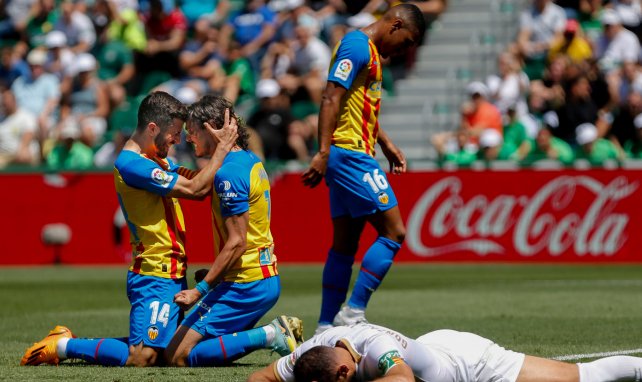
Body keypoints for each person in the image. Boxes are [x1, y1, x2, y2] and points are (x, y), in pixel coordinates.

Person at [20, 91, 237, 367]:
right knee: (142, 357)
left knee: (165, 351)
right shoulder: (131, 164)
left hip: (171, 270)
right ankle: (63, 345)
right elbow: (196, 189)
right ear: (152, 128)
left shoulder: (160, 160)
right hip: (153, 273)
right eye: (174, 133)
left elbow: (202, 181)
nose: (178, 140)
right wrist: (222, 149)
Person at [301, 4, 425, 334]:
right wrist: (323, 152)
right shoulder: (356, 46)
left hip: (351, 151)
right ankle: (353, 312)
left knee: (345, 243)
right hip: (348, 154)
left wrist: (384, 141)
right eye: (406, 42)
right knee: (394, 232)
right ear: (396, 24)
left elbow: (358, 104)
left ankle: (326, 326)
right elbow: (331, 98)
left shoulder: (368, 53)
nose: (402, 51)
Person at [163, 95, 303, 367]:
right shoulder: (247, 160)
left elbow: (238, 242)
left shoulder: (229, 174)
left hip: (245, 283)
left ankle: (271, 334)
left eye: (192, 131)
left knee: (175, 355)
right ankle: (267, 335)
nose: (189, 139)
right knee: (204, 348)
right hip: (257, 278)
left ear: (213, 128)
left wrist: (200, 290)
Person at [247, 322, 642, 382]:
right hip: (433, 351)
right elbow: (259, 377)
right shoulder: (314, 352)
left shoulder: (376, 349)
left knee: (584, 377)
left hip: (471, 360)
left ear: (344, 375)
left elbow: (401, 379)